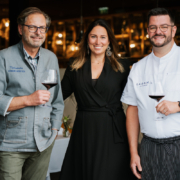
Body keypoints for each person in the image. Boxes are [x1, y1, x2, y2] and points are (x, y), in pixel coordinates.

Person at [59, 19, 136, 180]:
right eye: (93, 36)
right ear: (87, 39)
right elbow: (57, 96)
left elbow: (134, 103)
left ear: (109, 41)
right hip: (84, 131)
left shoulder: (122, 66)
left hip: (113, 132)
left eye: (102, 37)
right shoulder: (75, 65)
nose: (98, 41)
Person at [0, 7, 64, 180]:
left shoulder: (51, 58)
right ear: (20, 29)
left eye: (42, 28)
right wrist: (29, 99)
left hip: (43, 142)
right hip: (11, 143)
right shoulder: (4, 57)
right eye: (32, 27)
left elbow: (57, 100)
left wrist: (55, 129)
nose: (38, 32)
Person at [121, 7, 180, 180]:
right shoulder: (138, 68)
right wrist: (134, 152)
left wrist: (178, 105)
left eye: (164, 26)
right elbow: (132, 110)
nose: (158, 31)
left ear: (173, 29)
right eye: (153, 27)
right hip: (149, 147)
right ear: (147, 31)